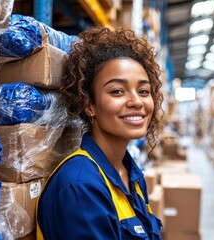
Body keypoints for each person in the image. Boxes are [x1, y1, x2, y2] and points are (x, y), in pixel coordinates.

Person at [36, 26, 164, 239]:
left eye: (144, 91)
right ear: (90, 105)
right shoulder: (80, 188)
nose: (136, 102)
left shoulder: (130, 173)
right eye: (117, 91)